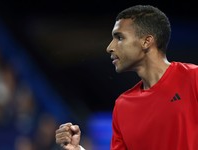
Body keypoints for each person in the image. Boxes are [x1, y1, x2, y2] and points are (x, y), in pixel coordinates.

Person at [55, 5, 198, 150]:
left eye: (120, 37)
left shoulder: (193, 78)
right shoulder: (123, 106)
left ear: (146, 41)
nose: (110, 47)